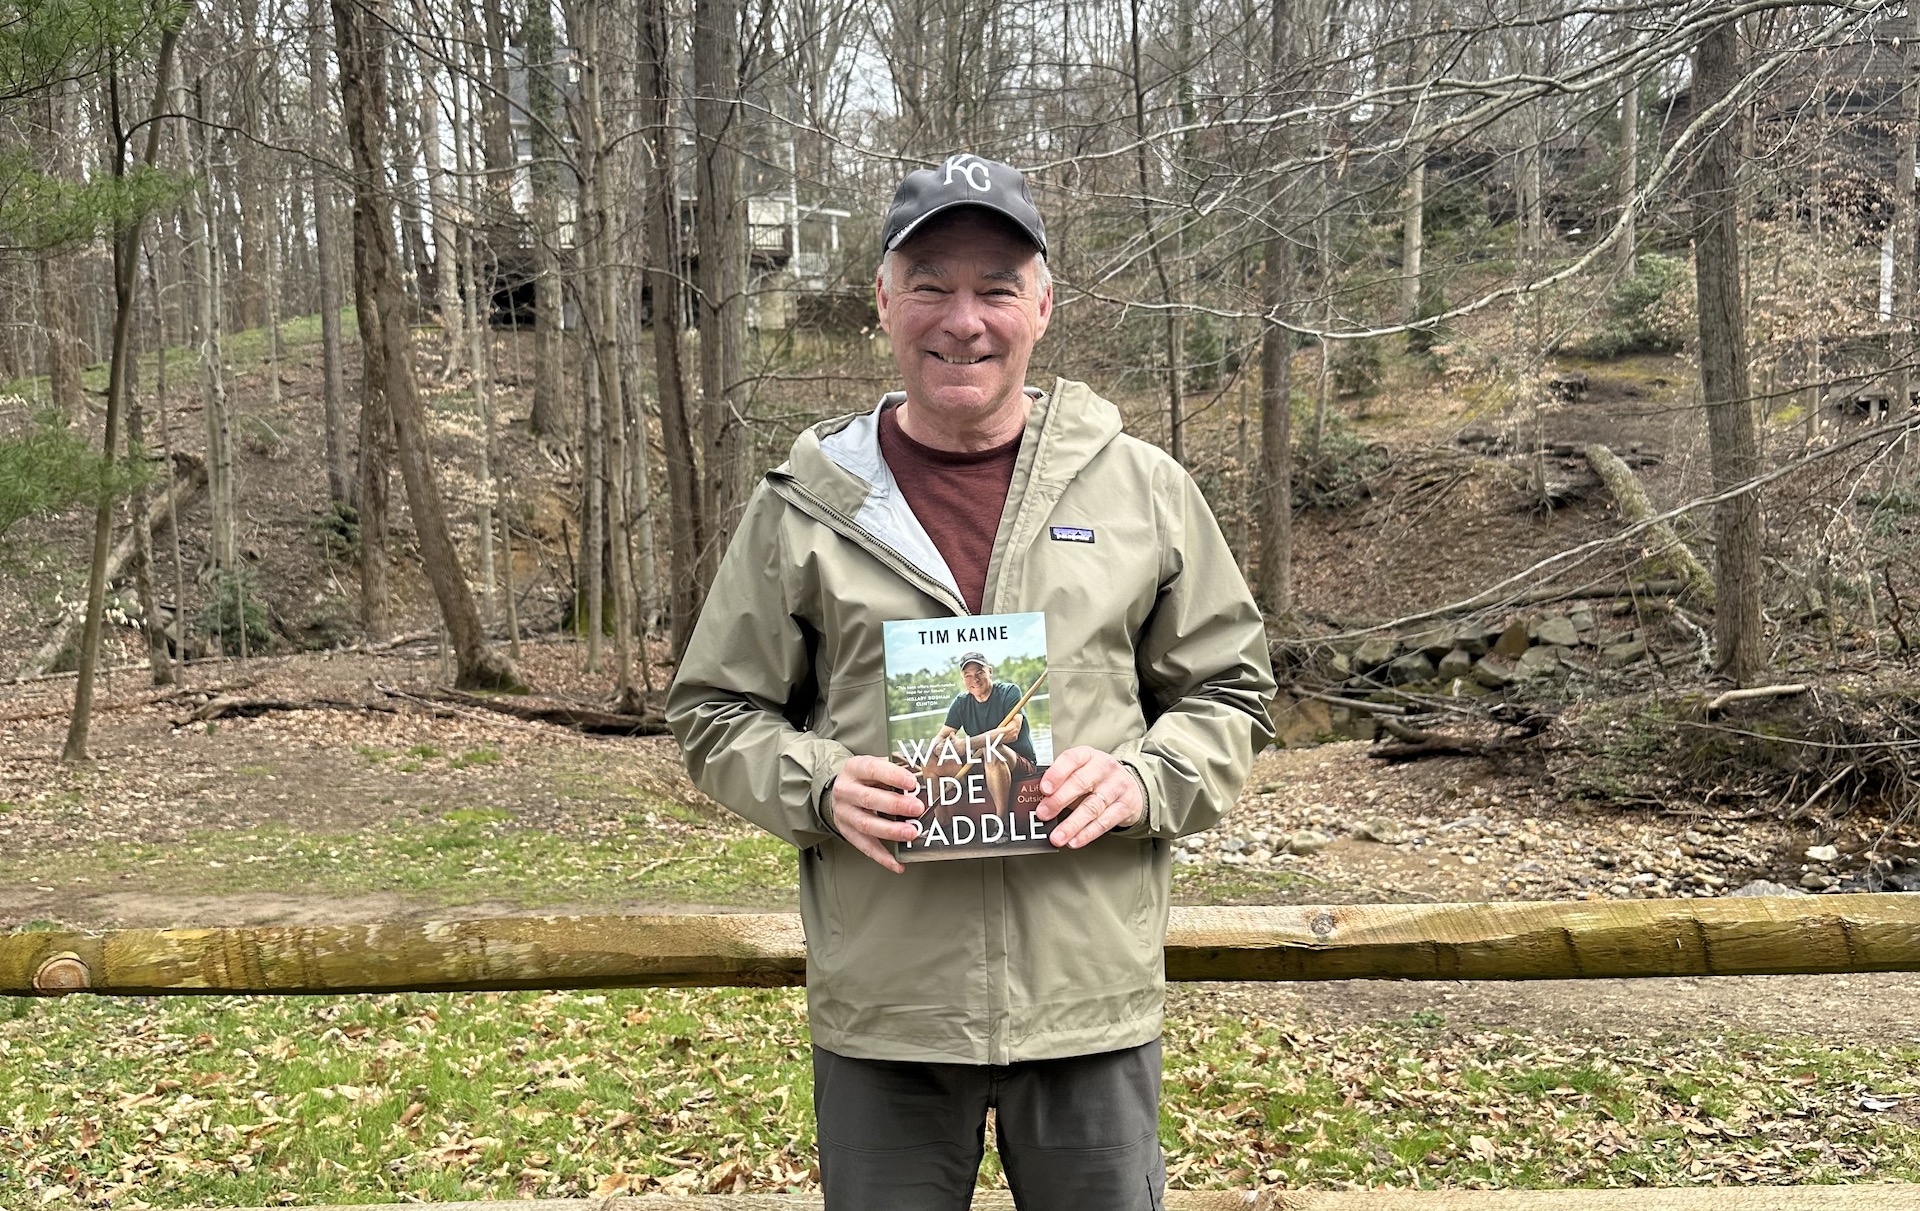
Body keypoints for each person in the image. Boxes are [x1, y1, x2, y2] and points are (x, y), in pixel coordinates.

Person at [667, 152, 1275, 1211]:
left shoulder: (1142, 489)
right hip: (888, 1009)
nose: (965, 319)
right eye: (932, 284)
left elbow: (1232, 694)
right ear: (883, 300)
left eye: (996, 286)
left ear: (1043, 303)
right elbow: (714, 712)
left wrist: (1144, 779)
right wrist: (819, 781)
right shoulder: (808, 504)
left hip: (1086, 999)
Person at [918, 651, 1037, 827]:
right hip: (981, 763)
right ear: (963, 679)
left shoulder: (1009, 692)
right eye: (968, 675)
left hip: (1018, 763)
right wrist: (938, 749)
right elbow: (942, 735)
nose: (975, 679)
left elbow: (1012, 732)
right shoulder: (961, 702)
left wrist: (967, 744)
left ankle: (1001, 825)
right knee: (929, 761)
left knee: (992, 750)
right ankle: (942, 826)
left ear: (990, 671)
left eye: (979, 672)